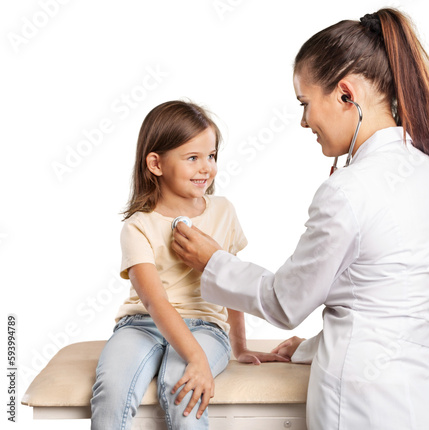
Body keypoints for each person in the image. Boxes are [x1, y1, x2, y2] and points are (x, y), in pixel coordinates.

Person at [171, 8, 429, 430]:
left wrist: (212, 261)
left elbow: (286, 301)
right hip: (423, 402)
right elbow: (387, 301)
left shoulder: (349, 190)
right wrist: (313, 347)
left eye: (305, 104)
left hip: (358, 405)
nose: (304, 122)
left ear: (345, 93)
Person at [90, 100, 287, 430]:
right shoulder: (138, 226)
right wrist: (194, 356)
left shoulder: (223, 211)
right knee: (111, 389)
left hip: (206, 327)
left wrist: (238, 346)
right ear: (155, 163)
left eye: (211, 156)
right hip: (142, 324)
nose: (206, 167)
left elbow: (231, 283)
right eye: (192, 157)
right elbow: (155, 301)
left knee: (181, 387)